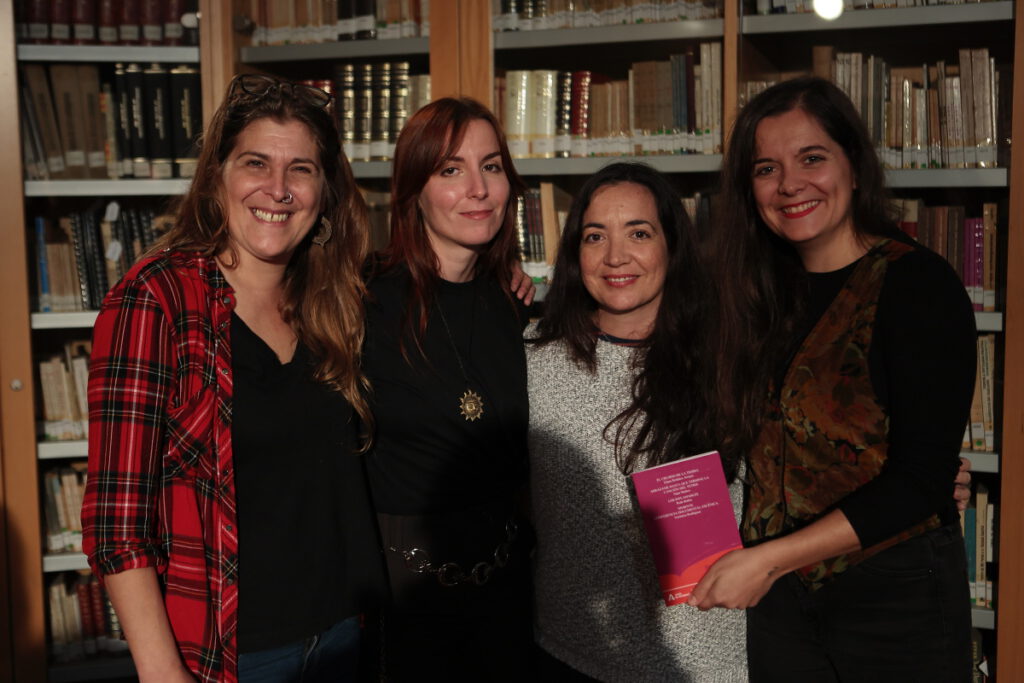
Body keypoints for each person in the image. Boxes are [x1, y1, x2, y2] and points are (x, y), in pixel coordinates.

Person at [81, 74, 384, 682]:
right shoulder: (156, 299)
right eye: (256, 163)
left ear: (324, 192)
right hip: (235, 657)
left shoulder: (337, 299)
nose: (277, 189)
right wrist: (163, 673)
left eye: (300, 168)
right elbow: (117, 523)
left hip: (348, 635)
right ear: (219, 177)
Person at [691, 76, 975, 682]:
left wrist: (767, 561)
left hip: (893, 596)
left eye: (811, 158)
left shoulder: (918, 285)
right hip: (781, 605)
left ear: (852, 161)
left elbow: (922, 481)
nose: (790, 184)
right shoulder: (752, 294)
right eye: (767, 168)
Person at [526, 162, 749, 681]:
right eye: (595, 236)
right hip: (569, 655)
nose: (615, 257)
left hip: (702, 663)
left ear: (673, 245)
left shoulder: (728, 359)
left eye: (639, 233)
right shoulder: (531, 359)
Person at [362, 97, 535, 680]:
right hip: (403, 601)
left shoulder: (512, 306)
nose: (478, 189)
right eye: (451, 170)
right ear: (415, 189)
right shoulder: (362, 304)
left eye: (491, 166)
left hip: (506, 587)